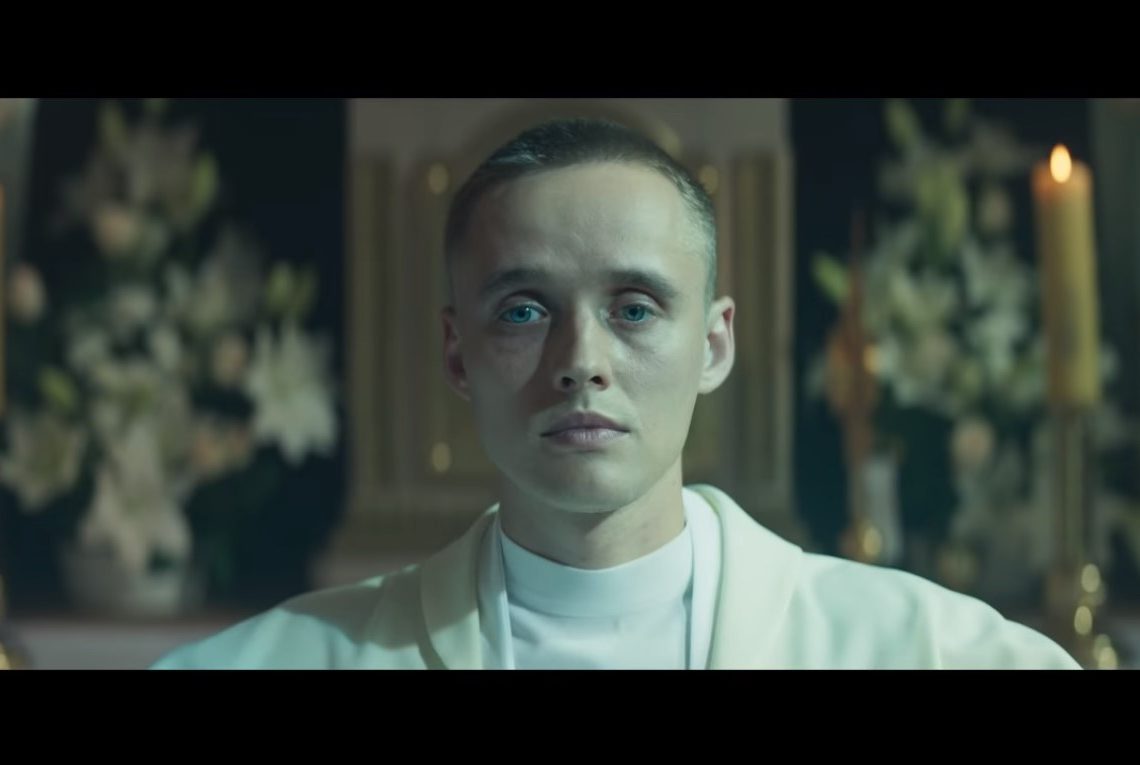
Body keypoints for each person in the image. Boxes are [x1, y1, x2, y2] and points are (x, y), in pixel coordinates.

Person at [153, 117, 1080, 670]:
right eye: (524, 310)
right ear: (456, 354)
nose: (581, 361)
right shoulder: (288, 659)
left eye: (634, 308)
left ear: (714, 343)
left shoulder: (928, 651)